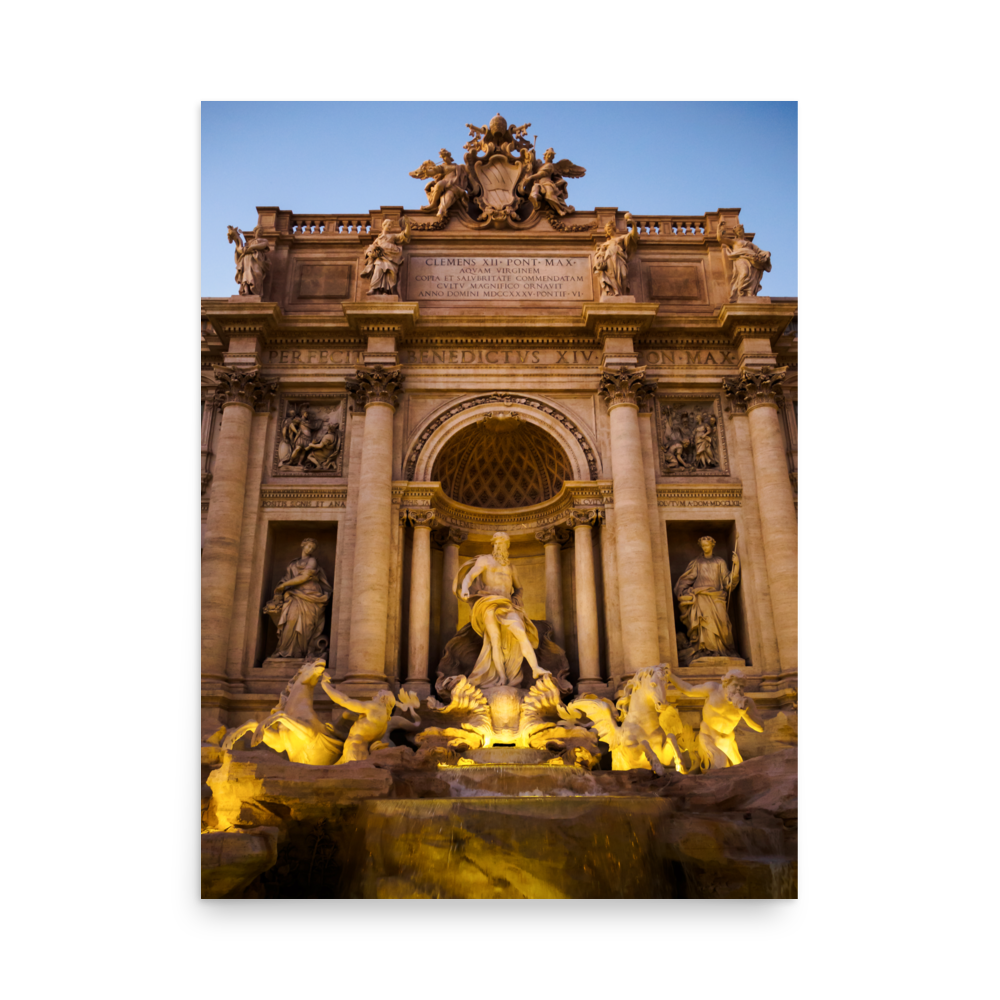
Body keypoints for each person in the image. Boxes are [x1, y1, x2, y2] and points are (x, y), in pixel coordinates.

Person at [458, 531, 551, 687]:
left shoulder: (510, 567)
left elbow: (519, 587)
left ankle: (535, 668)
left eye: (504, 544)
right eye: (498, 543)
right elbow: (471, 575)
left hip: (507, 604)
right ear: (493, 544)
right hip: (488, 602)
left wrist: (517, 598)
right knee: (494, 639)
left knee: (521, 631)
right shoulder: (485, 560)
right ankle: (501, 677)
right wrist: (464, 588)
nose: (501, 546)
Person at [666, 667, 764, 769]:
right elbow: (688, 689)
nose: (738, 689)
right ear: (726, 684)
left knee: (742, 771)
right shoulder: (712, 689)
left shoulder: (747, 703)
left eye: (741, 686)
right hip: (708, 737)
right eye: (735, 685)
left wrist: (745, 713)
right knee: (721, 765)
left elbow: (760, 728)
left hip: (728, 741)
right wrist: (669, 675)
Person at [673, 535, 740, 659]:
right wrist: (685, 591)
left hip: (717, 597)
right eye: (703, 546)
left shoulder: (720, 561)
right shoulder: (696, 562)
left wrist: (736, 567)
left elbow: (727, 582)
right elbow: (685, 580)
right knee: (704, 624)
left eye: (707, 545)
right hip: (701, 597)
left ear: (712, 545)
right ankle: (707, 650)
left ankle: (723, 650)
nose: (705, 547)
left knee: (723, 625)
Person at [268, 538, 332, 657]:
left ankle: (299, 652)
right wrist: (281, 588)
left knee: (306, 626)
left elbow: (304, 577)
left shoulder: (312, 561)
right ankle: (284, 651)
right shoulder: (293, 564)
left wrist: (283, 586)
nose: (310, 549)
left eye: (313, 548)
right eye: (308, 546)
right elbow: (287, 578)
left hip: (311, 596)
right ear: (302, 545)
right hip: (294, 595)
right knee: (290, 620)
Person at [718, 221, 771, 298]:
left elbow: (759, 251)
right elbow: (720, 239)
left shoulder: (749, 243)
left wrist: (766, 253)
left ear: (743, 231)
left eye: (741, 230)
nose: (740, 232)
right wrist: (719, 229)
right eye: (738, 231)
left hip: (752, 259)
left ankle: (749, 293)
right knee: (744, 273)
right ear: (735, 233)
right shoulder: (734, 241)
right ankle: (740, 292)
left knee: (752, 276)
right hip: (741, 258)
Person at [361, 217, 411, 294]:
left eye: (391, 225)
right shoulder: (379, 238)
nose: (390, 227)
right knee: (378, 271)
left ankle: (388, 291)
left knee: (390, 273)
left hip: (391, 257)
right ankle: (373, 289)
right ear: (383, 225)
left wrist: (407, 225)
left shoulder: (393, 236)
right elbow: (371, 247)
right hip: (380, 257)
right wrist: (370, 253)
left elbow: (405, 235)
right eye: (388, 225)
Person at [593, 213, 639, 296]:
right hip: (609, 260)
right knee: (611, 277)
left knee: (624, 275)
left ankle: (623, 294)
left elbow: (633, 235)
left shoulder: (620, 238)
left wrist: (633, 224)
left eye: (609, 228)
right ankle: (615, 292)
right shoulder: (604, 244)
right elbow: (599, 255)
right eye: (607, 230)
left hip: (619, 259)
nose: (608, 230)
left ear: (614, 228)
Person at [233, 225, 270, 296]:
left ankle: (255, 291)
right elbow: (242, 249)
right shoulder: (250, 242)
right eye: (258, 231)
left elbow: (264, 245)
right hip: (247, 258)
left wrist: (252, 247)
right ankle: (246, 290)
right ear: (255, 232)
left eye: (261, 232)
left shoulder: (264, 240)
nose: (260, 232)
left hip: (257, 259)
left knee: (257, 273)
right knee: (246, 275)